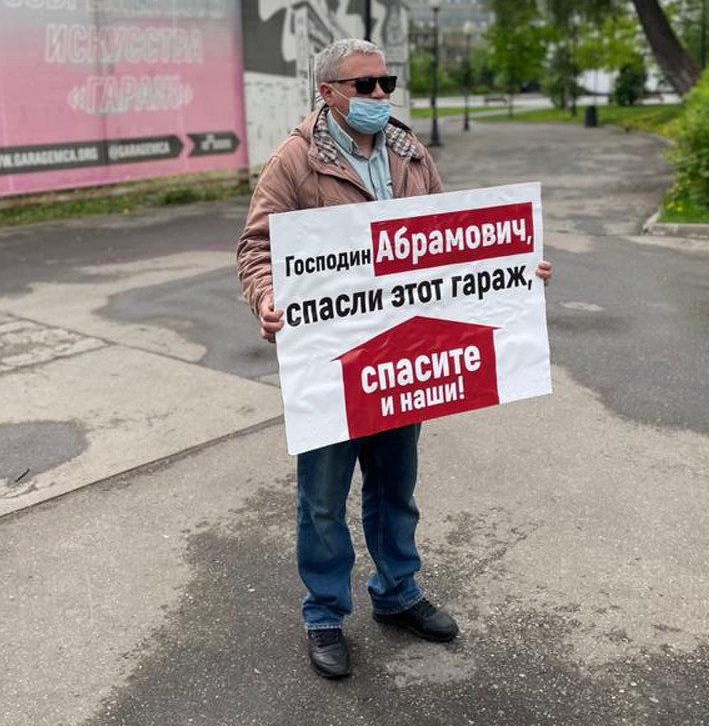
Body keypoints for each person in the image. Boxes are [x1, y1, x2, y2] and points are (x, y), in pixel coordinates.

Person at [236, 38, 552, 678]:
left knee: (394, 487)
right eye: (365, 86)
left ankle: (398, 592)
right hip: (332, 362)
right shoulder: (293, 162)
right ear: (328, 93)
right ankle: (325, 612)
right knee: (323, 498)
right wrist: (268, 298)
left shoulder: (411, 151)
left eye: (387, 82)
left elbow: (453, 243)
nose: (381, 95)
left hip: (404, 352)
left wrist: (513, 268)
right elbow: (255, 249)